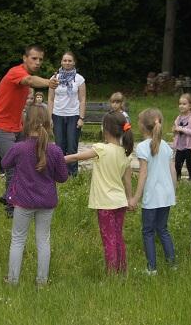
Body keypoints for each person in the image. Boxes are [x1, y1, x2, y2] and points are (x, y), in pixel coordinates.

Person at [0, 45, 58, 217]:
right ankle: (11, 205)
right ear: (24, 58)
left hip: (17, 127)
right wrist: (49, 83)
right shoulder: (16, 72)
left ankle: (9, 197)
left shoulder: (24, 76)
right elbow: (30, 81)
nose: (38, 62)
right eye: (34, 58)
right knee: (14, 163)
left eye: (40, 59)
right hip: (0, 127)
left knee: (24, 162)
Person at [2, 105, 68, 285]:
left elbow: (5, 162)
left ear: (25, 123)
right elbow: (63, 177)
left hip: (23, 201)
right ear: (48, 123)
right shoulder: (55, 150)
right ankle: (42, 280)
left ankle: (13, 279)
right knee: (43, 240)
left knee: (17, 240)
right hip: (46, 201)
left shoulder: (19, 148)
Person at [65, 111, 133, 274]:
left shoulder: (101, 148)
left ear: (106, 130)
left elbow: (76, 157)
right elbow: (128, 181)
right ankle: (122, 271)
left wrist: (59, 158)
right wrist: (130, 198)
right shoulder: (125, 154)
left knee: (108, 239)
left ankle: (111, 274)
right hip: (120, 202)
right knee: (118, 237)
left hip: (105, 203)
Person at [129, 109, 176, 276]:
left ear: (142, 126)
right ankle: (172, 264)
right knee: (163, 229)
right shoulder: (167, 146)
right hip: (166, 195)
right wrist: (173, 192)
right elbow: (173, 172)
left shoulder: (142, 147)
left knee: (148, 231)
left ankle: (152, 268)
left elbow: (143, 174)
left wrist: (135, 197)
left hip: (152, 197)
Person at [48, 51, 86, 176]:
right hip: (57, 114)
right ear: (61, 62)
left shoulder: (79, 79)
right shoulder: (54, 79)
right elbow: (50, 99)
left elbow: (82, 99)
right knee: (59, 146)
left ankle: (72, 173)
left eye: (70, 60)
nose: (67, 62)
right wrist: (50, 118)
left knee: (72, 146)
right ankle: (60, 172)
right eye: (65, 60)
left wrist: (81, 118)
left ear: (74, 62)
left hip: (73, 115)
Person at [172, 93, 191, 181]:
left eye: (184, 104)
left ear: (190, 106)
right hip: (180, 146)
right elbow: (175, 128)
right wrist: (175, 130)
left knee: (190, 164)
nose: (181, 106)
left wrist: (182, 129)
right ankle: (177, 179)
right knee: (177, 164)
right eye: (180, 104)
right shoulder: (178, 118)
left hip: (189, 147)